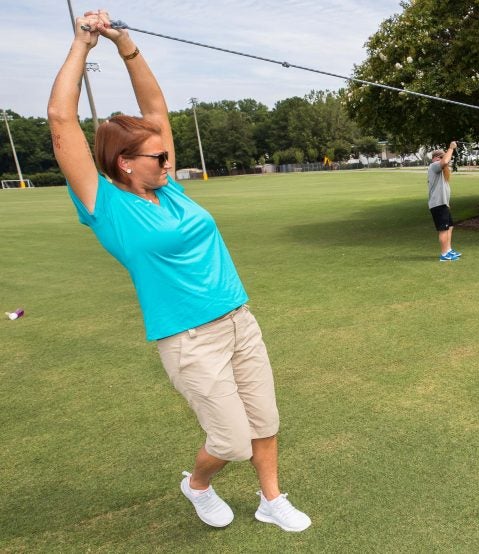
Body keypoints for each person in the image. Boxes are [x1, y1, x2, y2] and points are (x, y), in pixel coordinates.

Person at [48, 10, 310, 532]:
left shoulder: (170, 187)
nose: (169, 161)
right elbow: (61, 121)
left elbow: (155, 107)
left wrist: (125, 43)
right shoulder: (105, 204)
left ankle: (270, 498)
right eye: (158, 155)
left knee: (265, 421)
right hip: (189, 338)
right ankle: (197, 484)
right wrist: (83, 43)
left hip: (239, 320)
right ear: (124, 161)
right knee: (230, 440)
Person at [427, 141, 461, 261]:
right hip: (437, 204)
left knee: (450, 227)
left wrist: (447, 203)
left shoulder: (441, 170)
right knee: (443, 229)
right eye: (441, 157)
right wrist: (451, 148)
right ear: (435, 158)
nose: (444, 159)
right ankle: (444, 254)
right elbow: (445, 161)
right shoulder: (434, 166)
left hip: (443, 203)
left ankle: (448, 250)